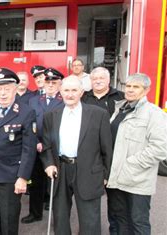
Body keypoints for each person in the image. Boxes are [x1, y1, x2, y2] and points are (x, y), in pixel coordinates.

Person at [41, 76, 113, 235]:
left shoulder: (99, 114)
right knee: (60, 216)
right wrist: (49, 164)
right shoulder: (51, 115)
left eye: (74, 90)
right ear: (61, 92)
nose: (70, 94)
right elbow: (45, 146)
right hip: (61, 170)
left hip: (89, 171)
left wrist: (106, 174)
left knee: (90, 219)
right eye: (66, 90)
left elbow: (107, 148)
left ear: (81, 92)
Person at [0, 68, 37, 235]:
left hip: (11, 174)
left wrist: (23, 177)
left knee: (8, 216)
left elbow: (29, 149)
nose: (3, 94)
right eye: (0, 89)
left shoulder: (26, 112)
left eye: (7, 89)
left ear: (15, 89)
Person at [106, 73, 167, 235]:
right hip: (116, 178)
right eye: (128, 86)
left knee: (138, 222)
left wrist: (131, 164)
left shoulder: (154, 114)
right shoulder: (120, 109)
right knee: (117, 219)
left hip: (137, 180)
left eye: (136, 87)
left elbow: (160, 148)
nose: (130, 90)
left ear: (146, 90)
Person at [81, 66, 123, 234]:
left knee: (115, 200)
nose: (97, 81)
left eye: (101, 78)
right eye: (94, 78)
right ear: (90, 80)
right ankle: (88, 229)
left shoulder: (120, 97)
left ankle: (116, 230)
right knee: (88, 198)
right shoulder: (83, 98)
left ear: (108, 79)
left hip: (113, 153)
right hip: (89, 157)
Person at [23, 68, 64, 224]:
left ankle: (58, 219)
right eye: (48, 82)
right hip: (37, 147)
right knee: (35, 182)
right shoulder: (34, 100)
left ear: (60, 84)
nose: (51, 85)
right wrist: (36, 142)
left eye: (54, 82)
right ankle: (35, 213)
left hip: (56, 149)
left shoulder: (64, 100)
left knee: (58, 186)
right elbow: (29, 123)